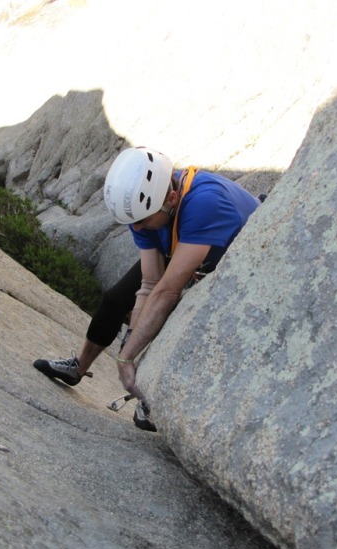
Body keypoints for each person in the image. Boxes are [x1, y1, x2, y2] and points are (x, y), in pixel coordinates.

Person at [33, 146, 260, 428]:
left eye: (141, 222)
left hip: (240, 256)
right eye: (131, 223)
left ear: (172, 199)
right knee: (115, 300)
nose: (136, 229)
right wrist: (130, 345)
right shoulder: (144, 208)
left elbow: (167, 292)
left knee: (178, 323)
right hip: (185, 242)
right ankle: (78, 367)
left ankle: (150, 400)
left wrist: (127, 356)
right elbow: (150, 284)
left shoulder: (203, 204)